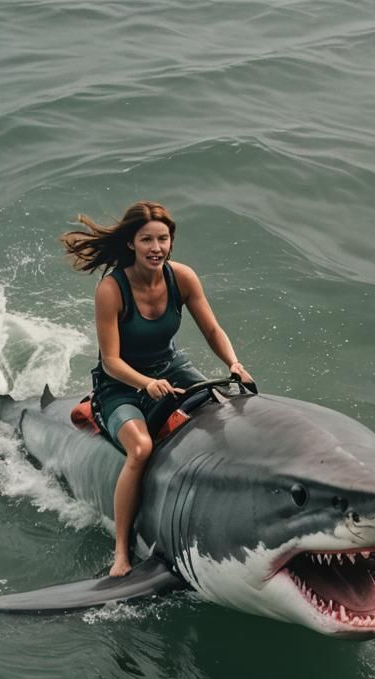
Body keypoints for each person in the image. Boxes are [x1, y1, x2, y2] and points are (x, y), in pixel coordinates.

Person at [61, 201, 254, 577]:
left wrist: (233, 363)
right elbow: (112, 360)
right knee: (142, 448)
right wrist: (146, 384)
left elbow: (212, 330)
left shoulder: (181, 278)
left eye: (163, 239)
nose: (156, 247)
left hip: (171, 368)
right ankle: (120, 551)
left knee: (223, 410)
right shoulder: (111, 290)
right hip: (120, 386)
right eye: (147, 239)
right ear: (131, 243)